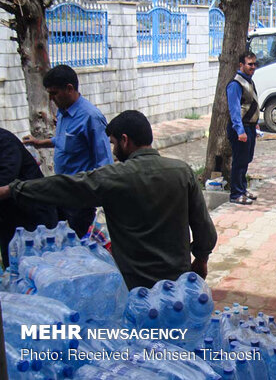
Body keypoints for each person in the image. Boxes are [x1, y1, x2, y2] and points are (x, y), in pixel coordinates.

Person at [0, 110, 217, 290]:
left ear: (125, 140)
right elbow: (204, 227)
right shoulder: (182, 171)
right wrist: (201, 258)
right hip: (177, 282)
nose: (113, 151)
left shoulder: (114, 177)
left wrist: (15, 189)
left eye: (114, 143)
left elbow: (64, 186)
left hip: (135, 287)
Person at [23, 64, 113, 238]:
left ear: (69, 89)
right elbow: (65, 141)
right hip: (62, 191)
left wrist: (102, 197)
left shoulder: (90, 117)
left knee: (79, 243)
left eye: (54, 93)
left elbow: (104, 161)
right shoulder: (64, 112)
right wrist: (40, 143)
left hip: (80, 196)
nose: (51, 99)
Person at [0, 128, 58, 268]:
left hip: (32, 218)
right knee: (14, 270)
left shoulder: (4, 142)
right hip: (9, 219)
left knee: (40, 270)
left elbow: (5, 182)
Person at [227, 52, 260, 205]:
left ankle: (242, 188)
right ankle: (236, 194)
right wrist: (240, 131)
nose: (253, 67)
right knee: (239, 161)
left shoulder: (249, 81)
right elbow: (234, 110)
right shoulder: (236, 84)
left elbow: (251, 104)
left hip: (250, 127)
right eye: (249, 64)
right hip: (241, 129)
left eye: (254, 64)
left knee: (246, 160)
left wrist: (256, 124)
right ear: (241, 65)